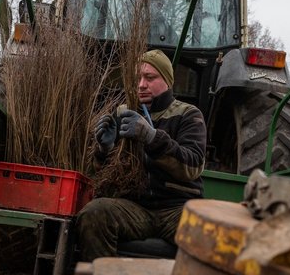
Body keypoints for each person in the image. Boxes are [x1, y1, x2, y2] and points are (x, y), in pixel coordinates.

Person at [76, 49, 206, 261]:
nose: (141, 85)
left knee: (206, 231)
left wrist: (152, 137)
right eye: (138, 78)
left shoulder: (188, 114)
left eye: (150, 77)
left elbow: (192, 166)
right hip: (135, 209)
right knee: (94, 213)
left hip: (177, 208)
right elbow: (101, 176)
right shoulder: (123, 114)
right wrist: (103, 151)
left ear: (167, 80)